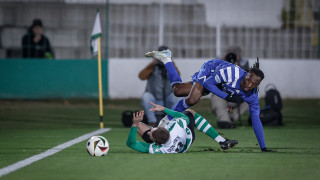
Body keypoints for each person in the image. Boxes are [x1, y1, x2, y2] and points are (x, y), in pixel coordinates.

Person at [145, 49, 274, 152]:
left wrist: (263, 147)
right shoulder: (231, 73)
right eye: (249, 80)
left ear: (258, 85)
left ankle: (167, 58)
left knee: (177, 90)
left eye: (254, 84)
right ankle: (167, 119)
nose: (250, 85)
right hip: (210, 70)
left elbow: (256, 120)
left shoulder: (252, 95)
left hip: (217, 84)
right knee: (193, 99)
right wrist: (227, 96)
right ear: (246, 74)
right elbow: (208, 83)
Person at [126, 102, 238, 154]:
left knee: (139, 125)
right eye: (152, 130)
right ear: (166, 128)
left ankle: (136, 125)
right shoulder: (176, 127)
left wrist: (135, 125)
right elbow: (184, 117)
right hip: (187, 137)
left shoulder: (158, 149)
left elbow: (131, 144)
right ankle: (221, 141)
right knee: (190, 112)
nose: (150, 130)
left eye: (151, 131)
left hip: (178, 141)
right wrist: (164, 109)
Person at [139, 45, 181, 127]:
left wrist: (170, 63)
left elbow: (177, 76)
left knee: (177, 97)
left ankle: (171, 122)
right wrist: (153, 64)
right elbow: (142, 76)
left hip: (168, 98)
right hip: (154, 99)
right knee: (146, 96)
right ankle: (152, 122)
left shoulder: (170, 66)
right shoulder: (153, 66)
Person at [210, 47, 250, 128]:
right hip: (223, 96)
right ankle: (224, 121)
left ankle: (231, 118)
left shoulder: (244, 64)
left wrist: (237, 66)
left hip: (237, 97)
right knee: (216, 98)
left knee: (250, 99)